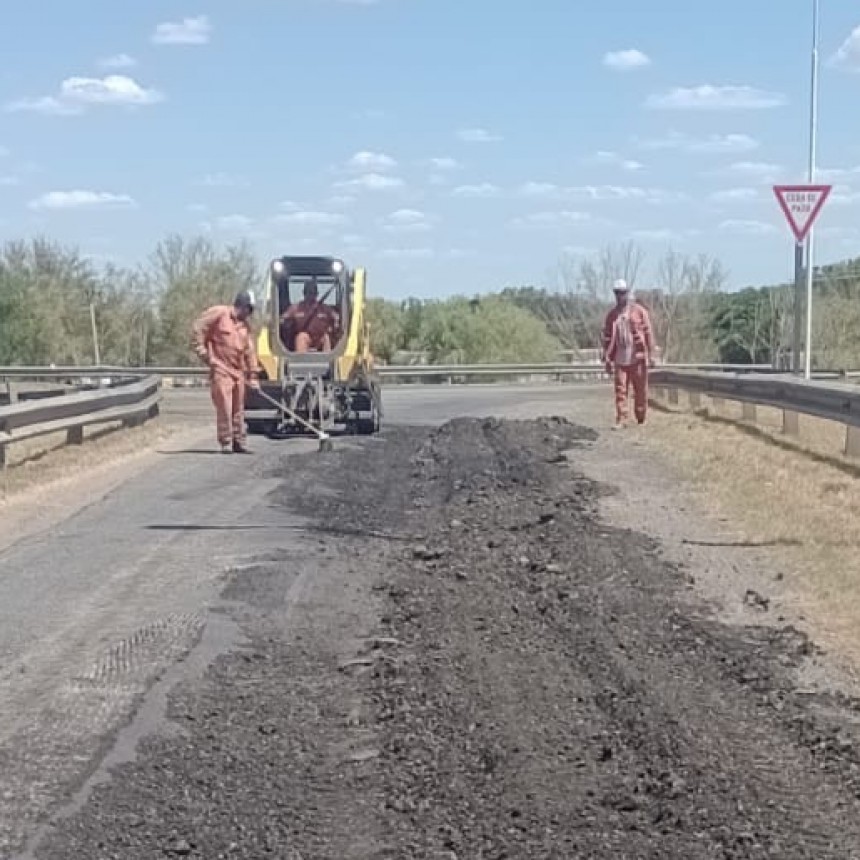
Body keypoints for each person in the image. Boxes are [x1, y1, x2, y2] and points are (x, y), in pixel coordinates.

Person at [191, 290, 260, 454]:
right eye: (249, 309)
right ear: (242, 305)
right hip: (221, 369)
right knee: (225, 406)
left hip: (238, 372)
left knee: (238, 409)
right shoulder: (219, 313)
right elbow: (197, 329)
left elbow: (249, 351)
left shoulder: (245, 327)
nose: (249, 313)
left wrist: (253, 375)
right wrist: (204, 354)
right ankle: (226, 441)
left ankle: (239, 442)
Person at [601, 279, 656, 429]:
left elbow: (648, 333)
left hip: (637, 358)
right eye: (617, 293)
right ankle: (622, 419)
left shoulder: (639, 311)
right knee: (620, 391)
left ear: (627, 293)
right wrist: (607, 359)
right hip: (620, 359)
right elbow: (607, 338)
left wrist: (651, 354)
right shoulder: (612, 315)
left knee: (640, 391)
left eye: (622, 293)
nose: (620, 296)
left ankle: (641, 417)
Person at [280, 278, 339, 353]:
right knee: (301, 337)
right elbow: (283, 318)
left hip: (320, 337)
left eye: (313, 292)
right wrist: (282, 322)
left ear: (317, 294)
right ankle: (302, 359)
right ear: (304, 293)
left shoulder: (325, 308)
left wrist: (336, 323)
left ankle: (328, 359)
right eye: (308, 292)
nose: (311, 295)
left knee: (326, 338)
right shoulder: (296, 308)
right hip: (306, 336)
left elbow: (336, 316)